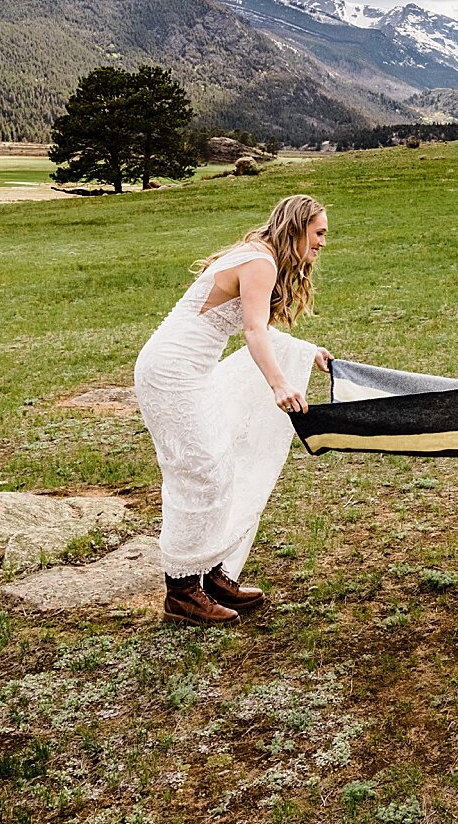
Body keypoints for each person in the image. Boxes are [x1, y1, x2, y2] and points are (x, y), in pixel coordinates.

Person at [134, 193, 333, 626]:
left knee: (218, 464)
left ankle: (208, 573)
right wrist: (280, 384)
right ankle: (182, 591)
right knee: (200, 469)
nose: (321, 244)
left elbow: (257, 325)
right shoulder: (261, 262)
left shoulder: (258, 256)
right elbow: (254, 330)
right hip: (172, 371)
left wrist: (304, 352)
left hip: (189, 370)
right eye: (318, 234)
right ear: (297, 228)